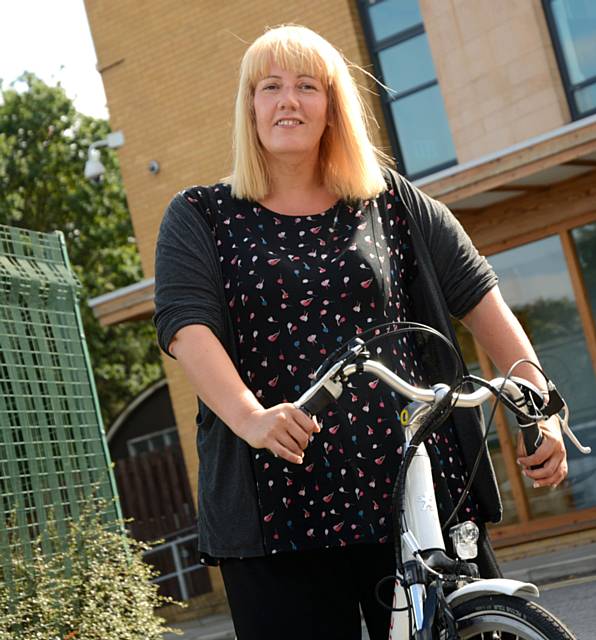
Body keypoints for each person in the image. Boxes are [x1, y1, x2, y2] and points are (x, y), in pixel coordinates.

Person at [153, 24, 568, 640]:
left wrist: (538, 400)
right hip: (281, 509)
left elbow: (481, 299)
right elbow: (187, 327)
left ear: (332, 107)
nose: (287, 100)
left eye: (306, 86)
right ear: (250, 106)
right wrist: (252, 417)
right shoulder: (200, 216)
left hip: (416, 489)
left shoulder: (392, 202)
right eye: (270, 86)